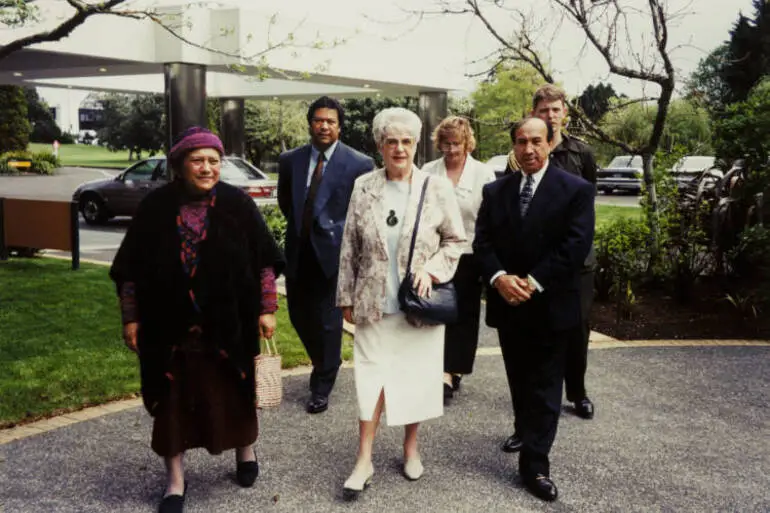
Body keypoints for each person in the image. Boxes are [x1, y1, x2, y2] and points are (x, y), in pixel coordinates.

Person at [110, 127, 285, 513]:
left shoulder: (237, 204)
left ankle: (246, 452)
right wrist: (131, 318)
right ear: (179, 165)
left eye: (214, 161)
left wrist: (267, 307)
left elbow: (265, 262)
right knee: (171, 404)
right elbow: (130, 271)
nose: (207, 168)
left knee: (237, 392)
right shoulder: (155, 207)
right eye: (198, 160)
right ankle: (175, 481)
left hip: (230, 323)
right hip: (169, 328)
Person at [336, 107, 465, 500]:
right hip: (373, 303)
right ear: (379, 145)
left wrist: (433, 271)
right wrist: (344, 296)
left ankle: (411, 449)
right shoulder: (364, 185)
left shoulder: (436, 187)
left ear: (416, 144)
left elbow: (456, 240)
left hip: (418, 306)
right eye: (391, 141)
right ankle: (364, 459)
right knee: (369, 381)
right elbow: (349, 245)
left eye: (407, 141)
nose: (399, 148)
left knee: (415, 379)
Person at [473, 117, 594, 502]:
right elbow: (482, 243)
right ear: (514, 145)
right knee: (519, 379)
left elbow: (575, 246)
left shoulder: (574, 190)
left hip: (550, 303)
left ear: (549, 143)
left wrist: (532, 282)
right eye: (522, 142)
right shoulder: (496, 191)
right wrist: (498, 278)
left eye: (536, 141)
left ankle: (535, 464)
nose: (529, 149)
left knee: (545, 386)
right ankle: (525, 429)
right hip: (508, 304)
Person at [277, 96, 374, 414]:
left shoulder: (359, 163)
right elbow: (285, 202)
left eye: (330, 121)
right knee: (299, 317)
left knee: (330, 323)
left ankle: (322, 383)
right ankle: (323, 362)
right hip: (299, 251)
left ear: (339, 126)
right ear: (310, 123)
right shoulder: (290, 160)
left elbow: (362, 211)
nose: (324, 126)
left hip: (335, 255)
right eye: (319, 120)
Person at [530, 84, 598, 421]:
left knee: (577, 328)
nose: (551, 116)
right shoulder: (525, 151)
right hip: (540, 260)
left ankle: (578, 391)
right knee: (541, 330)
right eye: (544, 110)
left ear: (565, 114)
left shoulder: (582, 153)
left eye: (556, 110)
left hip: (578, 260)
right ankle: (544, 394)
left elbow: (588, 207)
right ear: (534, 114)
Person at [422, 116, 496, 403]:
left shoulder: (483, 174)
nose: (451, 149)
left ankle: (452, 371)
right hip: (435, 254)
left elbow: (489, 218)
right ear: (439, 143)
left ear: (468, 143)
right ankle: (436, 367)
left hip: (468, 254)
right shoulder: (429, 171)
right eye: (446, 143)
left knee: (464, 315)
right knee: (435, 312)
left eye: (457, 143)